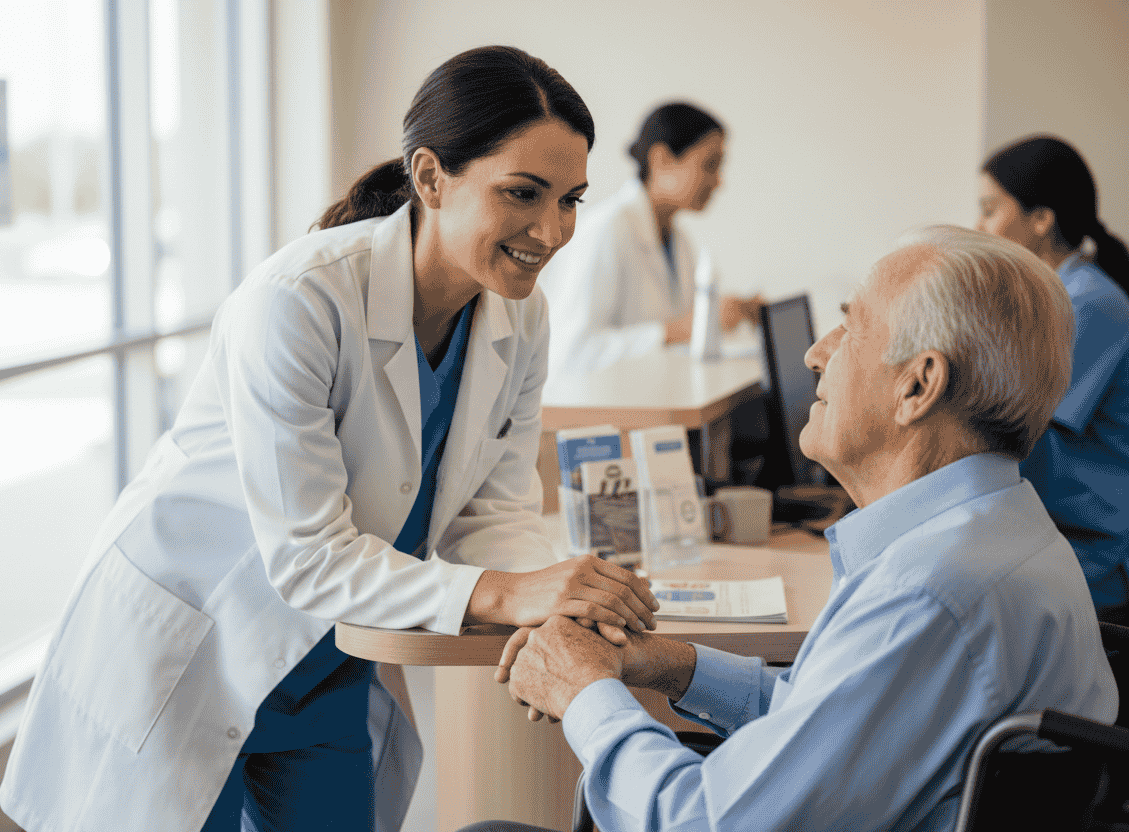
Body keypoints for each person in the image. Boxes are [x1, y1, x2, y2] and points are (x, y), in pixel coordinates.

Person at [0, 45, 661, 832]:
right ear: (429, 178)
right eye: (524, 193)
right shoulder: (298, 301)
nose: (552, 231)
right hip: (189, 653)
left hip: (328, 666)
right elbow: (309, 554)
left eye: (572, 200)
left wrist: (555, 599)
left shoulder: (521, 314)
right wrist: (509, 594)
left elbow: (496, 508)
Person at [478, 226, 1118, 832]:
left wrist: (585, 693)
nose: (817, 352)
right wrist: (668, 665)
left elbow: (703, 821)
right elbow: (832, 730)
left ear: (918, 385)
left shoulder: (931, 593)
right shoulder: (1001, 530)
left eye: (851, 329)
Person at [977, 135, 1129, 621]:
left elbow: (1018, 434)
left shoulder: (1087, 306)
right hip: (1061, 542)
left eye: (989, 209)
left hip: (1093, 560)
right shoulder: (1058, 297)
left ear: (1041, 219)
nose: (978, 227)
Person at [538, 102, 764, 379]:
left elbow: (687, 330)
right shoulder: (607, 229)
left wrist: (729, 314)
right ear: (661, 160)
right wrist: (677, 331)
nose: (719, 182)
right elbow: (571, 352)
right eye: (709, 165)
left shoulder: (679, 241)